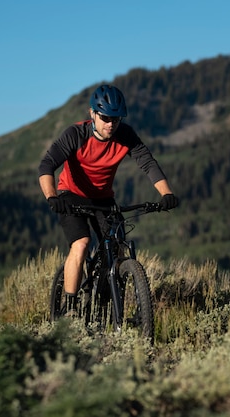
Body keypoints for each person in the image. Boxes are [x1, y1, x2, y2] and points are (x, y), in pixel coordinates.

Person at [38, 84, 178, 315]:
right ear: (92, 113)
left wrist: (167, 194)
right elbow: (47, 165)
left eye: (116, 118)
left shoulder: (125, 135)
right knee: (81, 243)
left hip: (103, 199)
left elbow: (148, 163)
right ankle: (72, 309)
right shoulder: (76, 134)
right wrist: (52, 197)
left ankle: (105, 304)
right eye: (105, 118)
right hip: (71, 196)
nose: (110, 124)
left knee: (116, 250)